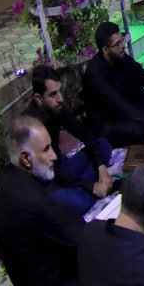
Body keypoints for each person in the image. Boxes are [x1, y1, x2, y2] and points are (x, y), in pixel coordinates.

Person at [0, 116, 87, 286]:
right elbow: (84, 240)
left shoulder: (10, 179)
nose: (54, 156)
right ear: (26, 159)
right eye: (46, 150)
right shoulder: (31, 201)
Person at [23, 64, 114, 214]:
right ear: (38, 99)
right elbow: (49, 172)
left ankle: (90, 184)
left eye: (60, 91)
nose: (60, 98)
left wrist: (101, 168)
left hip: (62, 166)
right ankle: (89, 187)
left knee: (103, 146)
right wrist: (90, 186)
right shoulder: (31, 127)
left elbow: (84, 133)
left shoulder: (56, 107)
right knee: (80, 202)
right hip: (48, 180)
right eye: (53, 94)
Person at [82, 22, 144, 147]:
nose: (122, 46)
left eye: (121, 40)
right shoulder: (95, 74)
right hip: (110, 121)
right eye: (117, 44)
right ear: (105, 50)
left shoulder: (120, 56)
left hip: (131, 108)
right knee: (141, 129)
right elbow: (118, 103)